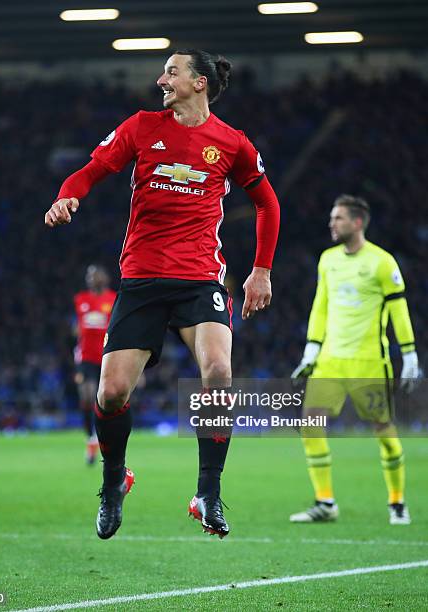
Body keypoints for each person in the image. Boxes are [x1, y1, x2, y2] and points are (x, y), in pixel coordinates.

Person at [45, 49, 280, 540]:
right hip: (143, 279)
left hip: (200, 278)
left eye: (171, 72)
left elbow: (268, 204)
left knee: (218, 371)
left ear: (199, 83)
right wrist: (69, 194)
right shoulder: (141, 127)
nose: (161, 80)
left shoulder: (232, 144)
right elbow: (90, 170)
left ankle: (207, 493)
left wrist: (261, 270)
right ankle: (114, 482)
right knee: (111, 393)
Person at [290, 195, 419, 525]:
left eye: (339, 218)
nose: (331, 223)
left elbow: (398, 310)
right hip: (330, 360)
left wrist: (409, 353)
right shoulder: (327, 260)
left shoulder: (382, 262)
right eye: (332, 218)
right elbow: (320, 306)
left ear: (357, 222)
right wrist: (312, 349)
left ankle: (397, 502)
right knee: (310, 425)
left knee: (383, 430)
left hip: (368, 362)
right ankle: (325, 502)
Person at [73, 264, 116, 465]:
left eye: (95, 275)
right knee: (87, 395)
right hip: (86, 358)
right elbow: (77, 328)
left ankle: (105, 439)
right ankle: (90, 439)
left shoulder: (112, 299)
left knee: (106, 399)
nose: (91, 278)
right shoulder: (80, 299)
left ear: (104, 278)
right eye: (89, 275)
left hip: (107, 356)